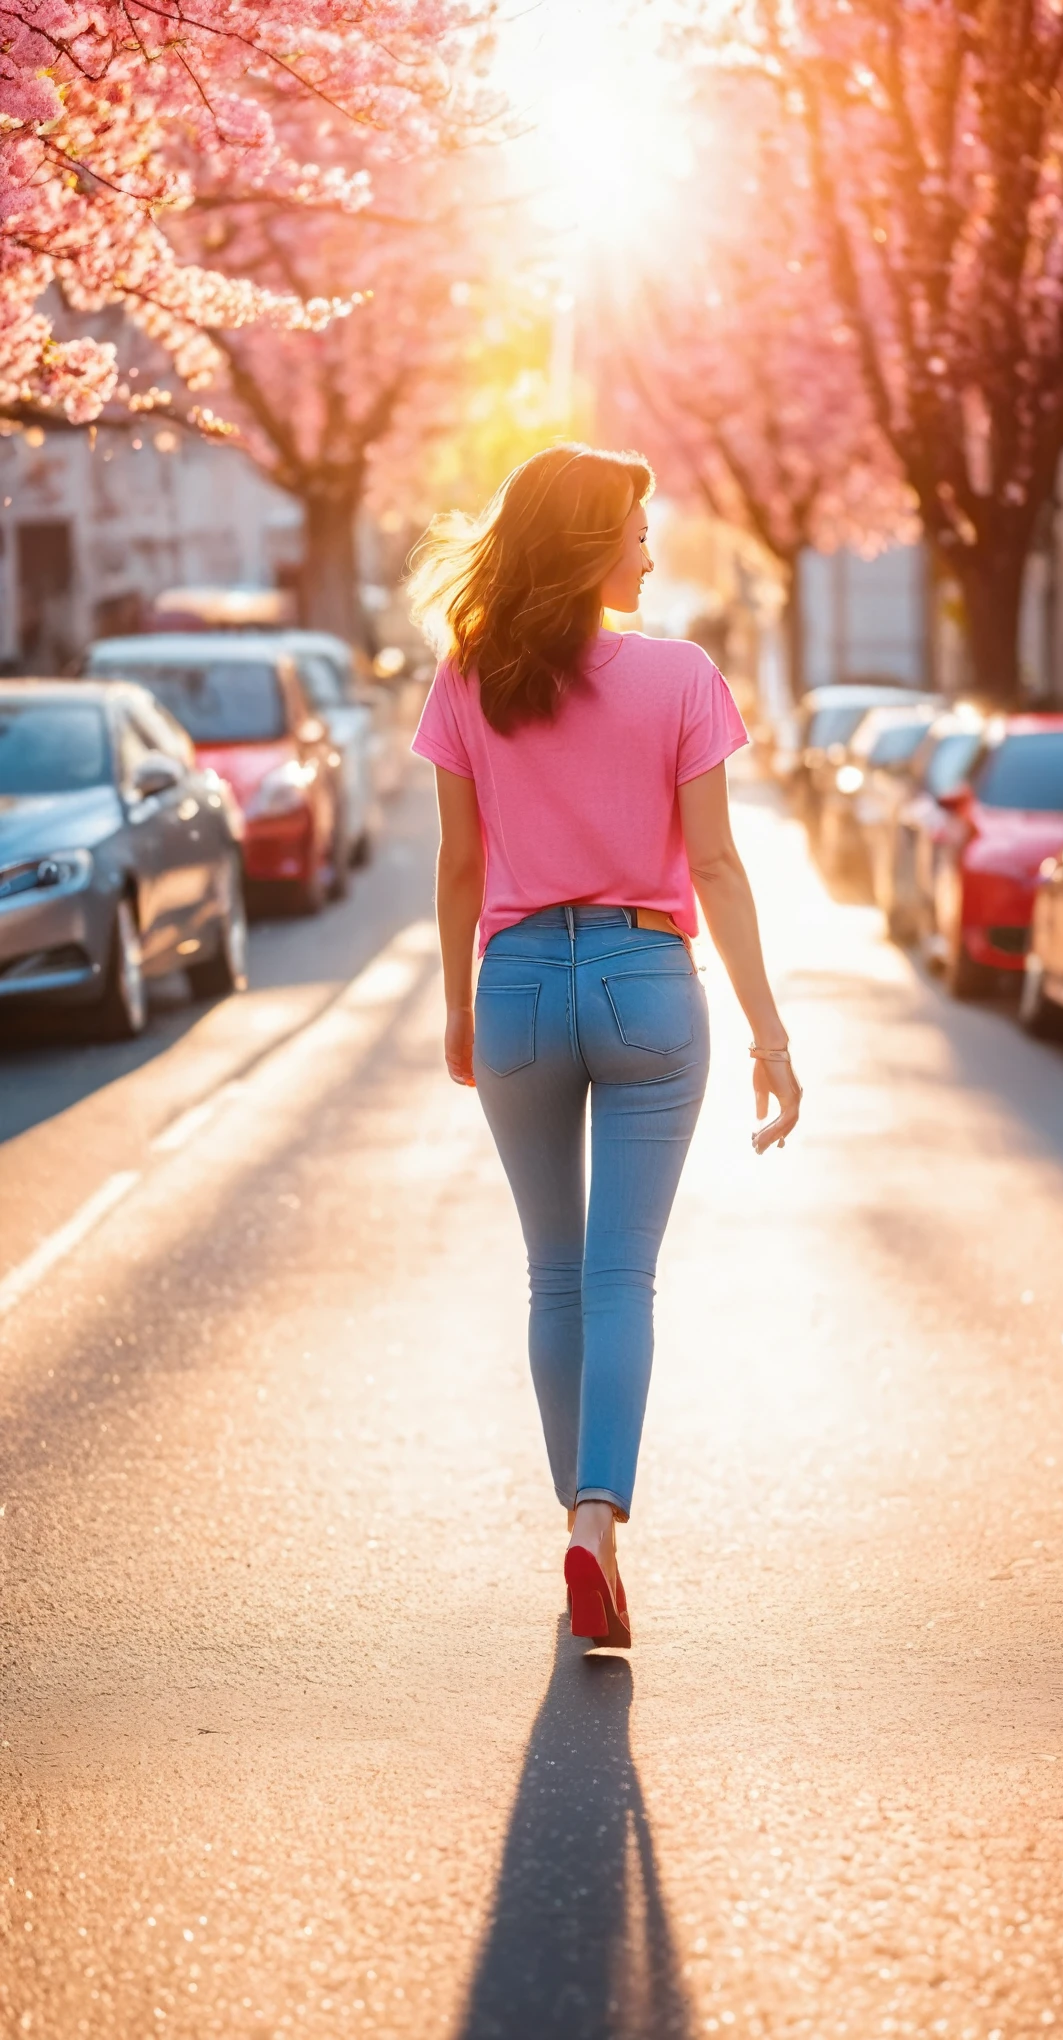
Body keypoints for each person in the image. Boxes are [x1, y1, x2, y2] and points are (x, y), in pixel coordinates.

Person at [409, 443, 801, 1647]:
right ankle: (594, 1525)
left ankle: (582, 1537)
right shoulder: (680, 677)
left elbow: (461, 869)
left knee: (552, 1275)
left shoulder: (467, 678)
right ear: (589, 545)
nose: (647, 548)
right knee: (620, 1277)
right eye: (633, 529)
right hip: (643, 980)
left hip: (519, 982)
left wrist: (458, 1006)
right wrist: (767, 1032)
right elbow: (719, 867)